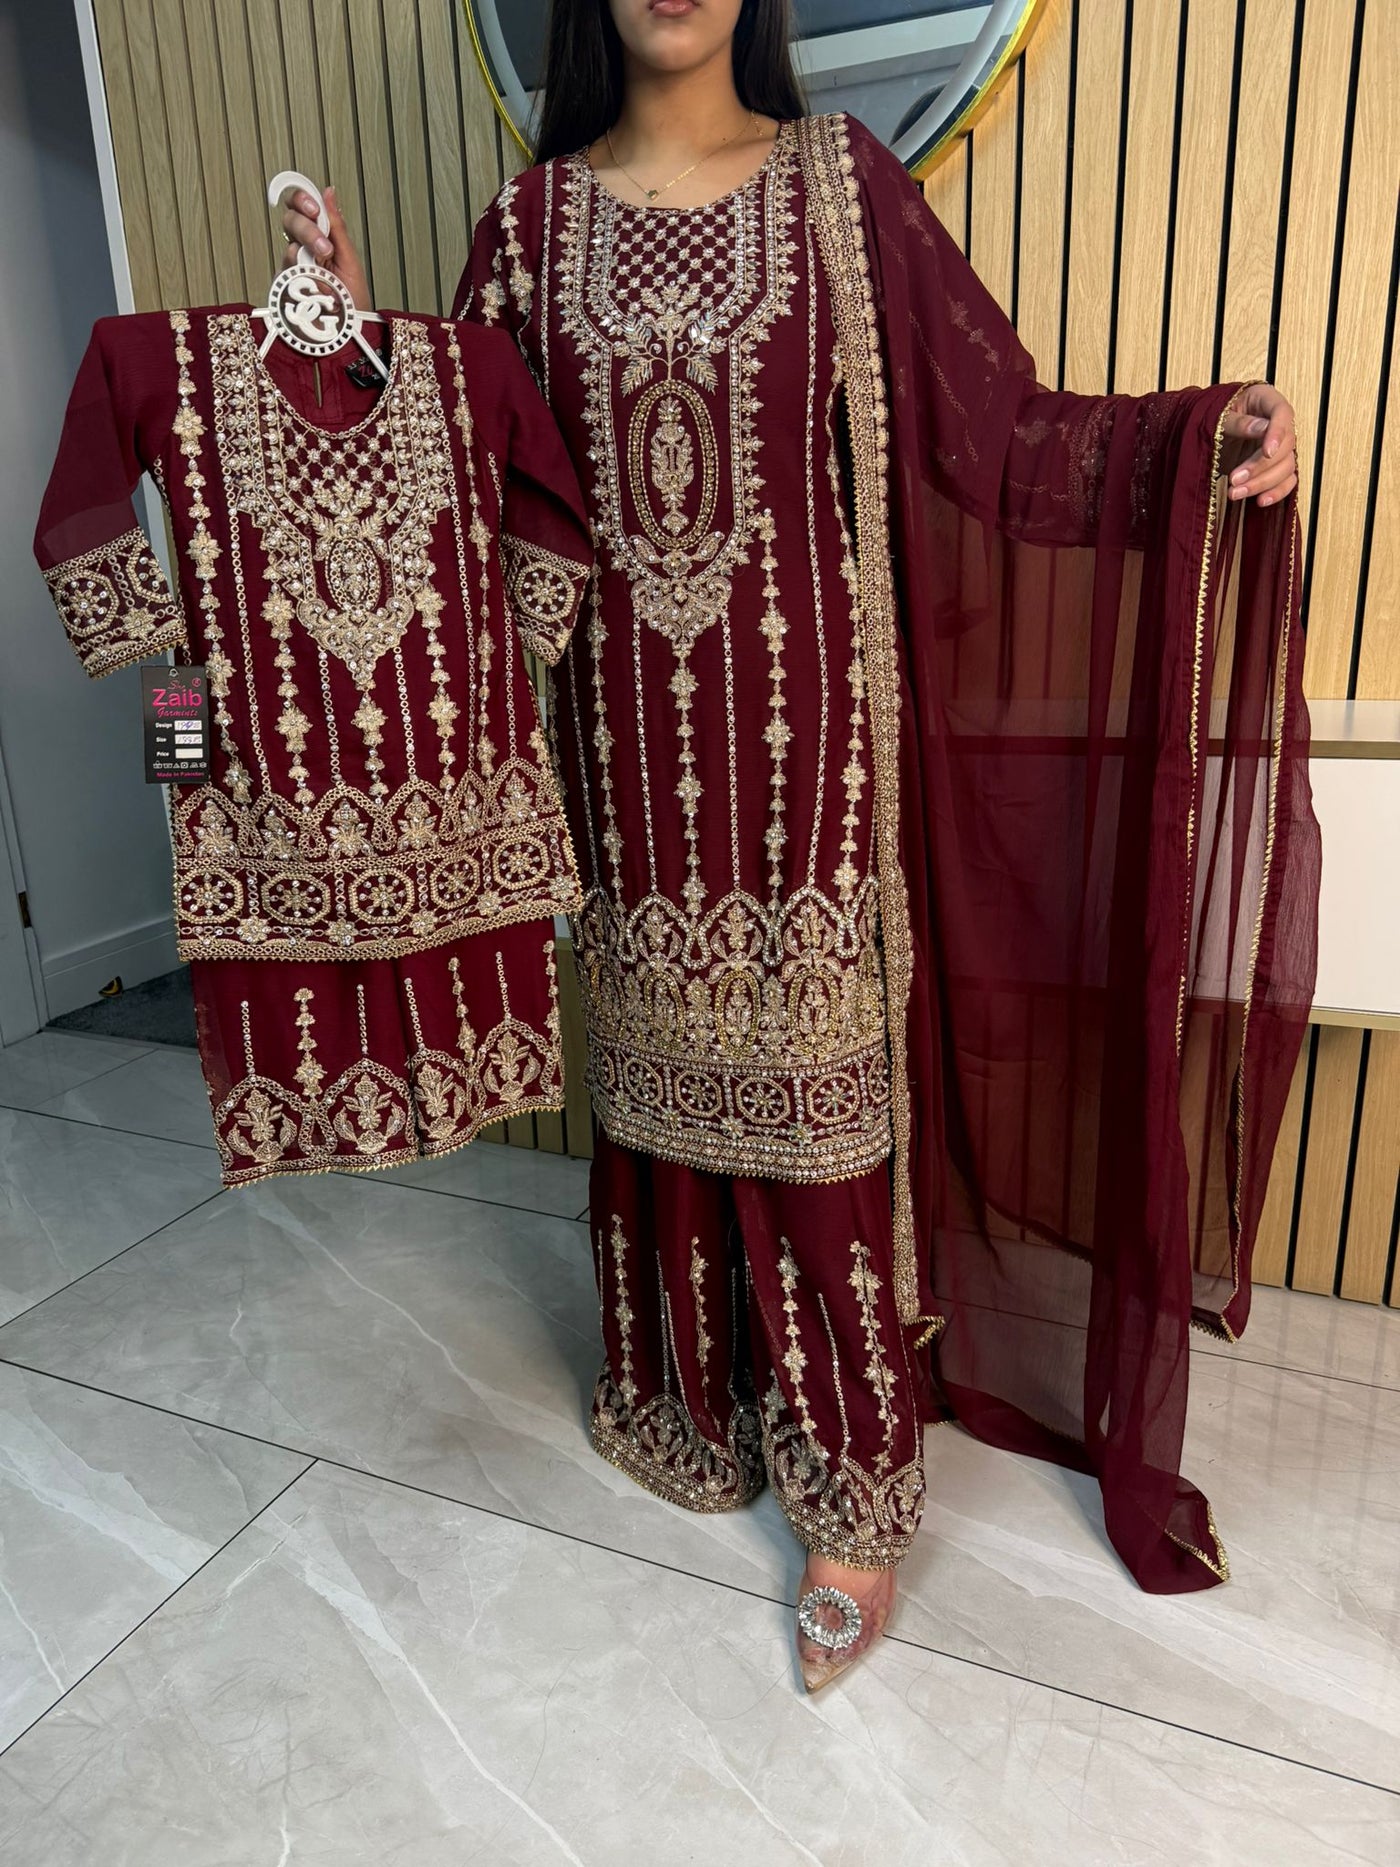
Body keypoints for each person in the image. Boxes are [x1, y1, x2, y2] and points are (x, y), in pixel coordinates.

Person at [283, 0, 1316, 1693]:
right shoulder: (530, 230)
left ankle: (851, 1485)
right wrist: (344, 355)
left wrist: (1199, 438)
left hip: (804, 749)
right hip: (626, 755)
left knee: (820, 1096)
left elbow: (1004, 433)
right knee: (663, 1076)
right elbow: (462, 482)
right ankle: (690, 1392)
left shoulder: (842, 187)